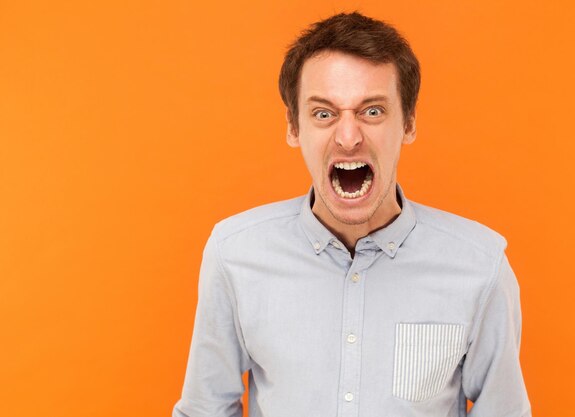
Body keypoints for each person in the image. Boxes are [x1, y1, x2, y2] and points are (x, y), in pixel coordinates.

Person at [173, 11, 531, 417]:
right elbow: (204, 410)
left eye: (372, 111)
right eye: (324, 113)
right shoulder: (233, 254)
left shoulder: (480, 266)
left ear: (408, 122)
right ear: (294, 127)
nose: (348, 138)